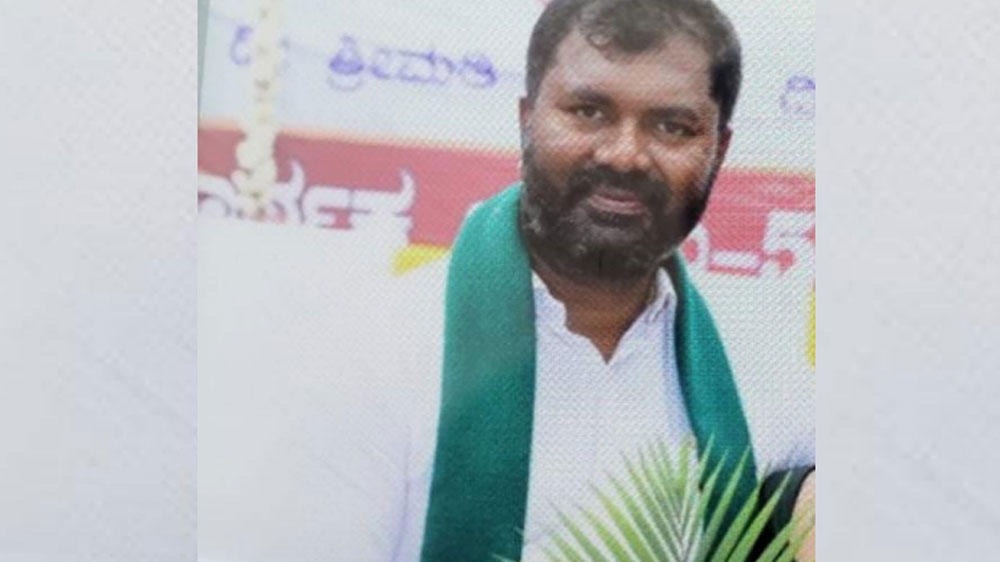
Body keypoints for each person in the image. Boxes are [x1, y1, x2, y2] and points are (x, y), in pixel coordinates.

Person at [331, 1, 815, 560]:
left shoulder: (762, 369)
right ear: (527, 119)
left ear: (718, 150)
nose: (626, 156)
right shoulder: (376, 352)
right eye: (589, 112)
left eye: (672, 126)